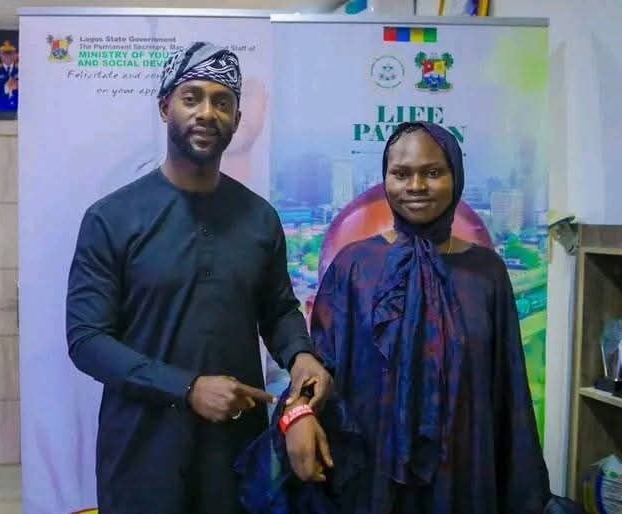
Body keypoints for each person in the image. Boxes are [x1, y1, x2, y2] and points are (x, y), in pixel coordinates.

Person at [237, 121, 584, 514]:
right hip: (371, 470)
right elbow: (319, 362)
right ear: (385, 179)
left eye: (433, 173)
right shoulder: (355, 266)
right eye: (401, 174)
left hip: (462, 469)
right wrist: (297, 413)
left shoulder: (486, 272)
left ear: (455, 177)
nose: (416, 186)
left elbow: (508, 386)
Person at [66, 41, 332, 514]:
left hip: (235, 453)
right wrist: (187, 389)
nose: (207, 112)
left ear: (236, 117)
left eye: (222, 102)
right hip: (141, 453)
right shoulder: (112, 218)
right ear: (165, 107)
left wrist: (300, 355)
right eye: (192, 98)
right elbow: (87, 340)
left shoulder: (259, 218)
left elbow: (278, 310)